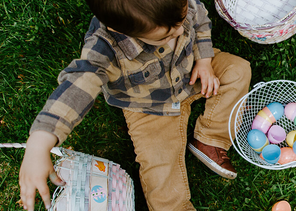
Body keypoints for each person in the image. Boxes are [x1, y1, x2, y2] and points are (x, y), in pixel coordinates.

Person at [18, 0, 251, 210]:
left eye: (181, 21)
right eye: (165, 36)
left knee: (237, 71)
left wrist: (204, 60)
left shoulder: (176, 5)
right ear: (119, 29)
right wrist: (39, 142)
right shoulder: (104, 48)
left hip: (192, 72)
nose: (181, 31)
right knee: (161, 177)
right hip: (148, 108)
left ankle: (210, 139)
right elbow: (78, 86)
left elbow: (199, 18)